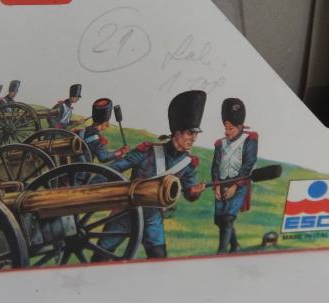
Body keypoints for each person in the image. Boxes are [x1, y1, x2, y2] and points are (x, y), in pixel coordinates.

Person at [100, 91, 206, 258]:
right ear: (177, 133)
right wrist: (93, 185)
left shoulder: (188, 163)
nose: (194, 138)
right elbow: (115, 169)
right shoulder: (147, 151)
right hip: (126, 211)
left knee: (158, 256)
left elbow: (189, 191)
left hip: (153, 217)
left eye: (196, 134)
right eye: (190, 133)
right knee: (101, 255)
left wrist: (195, 192)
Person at [210, 98, 258, 254]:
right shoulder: (220, 144)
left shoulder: (249, 140)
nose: (227, 132)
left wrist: (235, 186)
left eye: (230, 129)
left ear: (239, 127)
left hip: (239, 184)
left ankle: (221, 252)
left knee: (228, 218)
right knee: (220, 220)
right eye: (226, 128)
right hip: (222, 183)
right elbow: (215, 166)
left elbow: (249, 163)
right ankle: (235, 245)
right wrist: (217, 185)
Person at [76, 98, 129, 163]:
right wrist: (121, 151)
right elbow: (103, 157)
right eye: (107, 122)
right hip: (83, 167)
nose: (108, 125)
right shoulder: (95, 137)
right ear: (104, 123)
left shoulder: (82, 131)